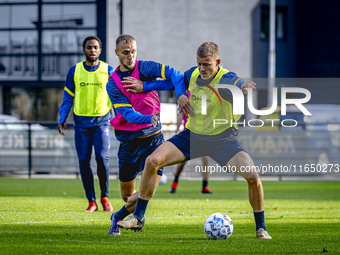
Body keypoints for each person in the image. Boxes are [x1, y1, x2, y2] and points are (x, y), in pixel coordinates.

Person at [117, 42, 272, 239]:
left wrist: (243, 85)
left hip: (222, 140)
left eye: (207, 64)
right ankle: (138, 218)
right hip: (192, 137)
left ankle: (261, 228)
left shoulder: (225, 78)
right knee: (152, 161)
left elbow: (235, 81)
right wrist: (146, 87)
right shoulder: (193, 74)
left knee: (253, 177)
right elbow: (171, 82)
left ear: (218, 62)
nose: (202, 68)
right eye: (199, 63)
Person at [106, 34, 190, 235]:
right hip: (129, 143)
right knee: (128, 196)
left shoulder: (145, 68)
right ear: (117, 53)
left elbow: (176, 77)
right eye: (126, 53)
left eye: (133, 51)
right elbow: (126, 113)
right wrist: (147, 118)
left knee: (148, 192)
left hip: (154, 140)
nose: (130, 56)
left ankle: (123, 217)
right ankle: (120, 214)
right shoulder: (113, 83)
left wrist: (176, 94)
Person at [58, 36, 114, 212]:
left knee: (101, 159)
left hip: (102, 122)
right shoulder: (74, 71)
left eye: (95, 47)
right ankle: (91, 201)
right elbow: (68, 97)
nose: (92, 50)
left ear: (100, 50)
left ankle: (104, 197)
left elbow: (118, 97)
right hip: (81, 124)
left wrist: (122, 118)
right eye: (89, 47)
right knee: (83, 161)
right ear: (84, 50)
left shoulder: (109, 71)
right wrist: (62, 118)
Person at [169, 104, 212, 194]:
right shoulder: (186, 95)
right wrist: (177, 130)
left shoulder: (205, 96)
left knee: (205, 159)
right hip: (189, 134)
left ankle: (205, 187)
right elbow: (180, 114)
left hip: (202, 134)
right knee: (183, 161)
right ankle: (175, 181)